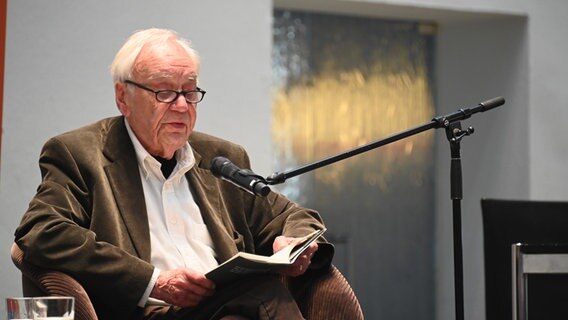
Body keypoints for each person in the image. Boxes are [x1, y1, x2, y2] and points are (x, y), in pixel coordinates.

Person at [14, 28, 333, 320]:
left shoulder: (219, 157)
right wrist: (153, 282)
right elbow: (41, 230)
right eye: (164, 92)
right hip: (147, 312)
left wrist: (295, 242)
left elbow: (293, 215)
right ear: (123, 97)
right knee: (264, 293)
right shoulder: (79, 154)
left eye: (190, 92)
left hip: (226, 307)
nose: (182, 106)